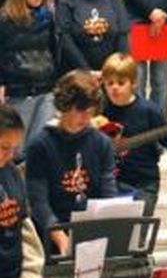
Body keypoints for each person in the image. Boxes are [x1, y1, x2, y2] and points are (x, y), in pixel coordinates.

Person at [25, 71, 117, 256]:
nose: (85, 117)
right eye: (79, 111)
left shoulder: (102, 143)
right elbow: (38, 202)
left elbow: (108, 192)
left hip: (92, 231)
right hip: (52, 234)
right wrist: (60, 237)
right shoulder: (40, 144)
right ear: (64, 106)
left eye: (90, 112)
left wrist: (109, 226)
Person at [100, 53, 167, 216]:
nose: (114, 88)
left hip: (143, 183)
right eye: (109, 83)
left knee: (137, 235)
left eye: (121, 83)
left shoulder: (148, 110)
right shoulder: (99, 111)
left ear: (133, 83)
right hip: (109, 184)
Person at [0, 0, 57, 145]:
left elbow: (54, 50)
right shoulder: (4, 19)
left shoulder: (48, 16)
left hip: (45, 87)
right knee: (18, 147)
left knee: (41, 143)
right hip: (18, 89)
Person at [0, 105, 44, 278]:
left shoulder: (11, 171)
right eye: (3, 147)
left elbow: (24, 226)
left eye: (14, 148)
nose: (9, 155)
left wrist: (30, 276)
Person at [55, 0, 129, 74]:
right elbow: (65, 38)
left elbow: (123, 34)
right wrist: (87, 71)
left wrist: (115, 67)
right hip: (78, 72)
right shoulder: (66, 2)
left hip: (110, 73)